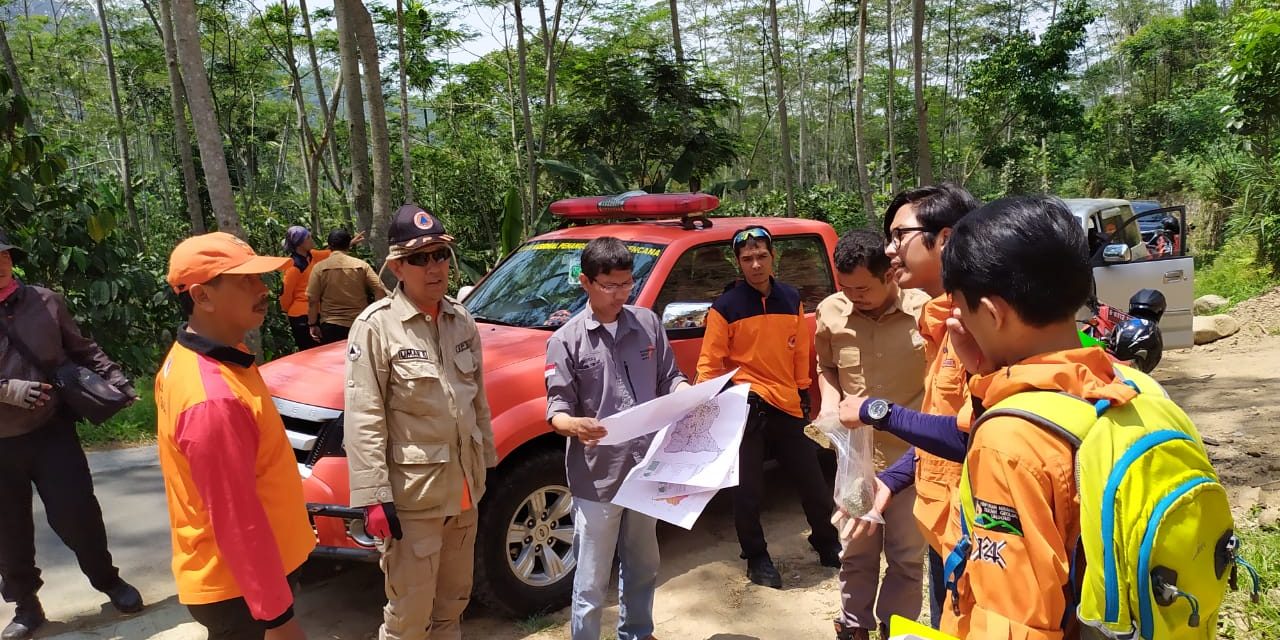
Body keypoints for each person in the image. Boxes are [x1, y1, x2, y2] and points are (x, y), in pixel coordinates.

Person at [932, 195, 1141, 638]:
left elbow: (1015, 620)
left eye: (963, 310)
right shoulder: (1125, 383)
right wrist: (988, 375)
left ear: (990, 312)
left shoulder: (1009, 443)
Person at [345, 203, 497, 640]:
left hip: (464, 492)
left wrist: (486, 463)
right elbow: (364, 415)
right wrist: (373, 497)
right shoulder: (375, 327)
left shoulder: (461, 319)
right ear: (396, 266)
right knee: (409, 617)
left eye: (440, 254)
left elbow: (477, 402)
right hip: (413, 499)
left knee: (452, 606)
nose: (434, 266)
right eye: (419, 258)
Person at [834, 184, 981, 628]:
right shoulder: (941, 319)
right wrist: (893, 480)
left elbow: (975, 433)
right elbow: (947, 424)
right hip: (944, 525)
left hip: (976, 527)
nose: (890, 250)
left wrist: (876, 411)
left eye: (900, 236)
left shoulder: (974, 323)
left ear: (946, 238)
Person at [155, 232, 314, 640]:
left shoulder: (210, 358)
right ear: (202, 296)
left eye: (260, 278)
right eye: (246, 281)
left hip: (246, 581)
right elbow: (236, 518)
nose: (263, 290)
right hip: (241, 591)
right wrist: (278, 619)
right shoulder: (213, 398)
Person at [0, 229, 143, 640]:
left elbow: (82, 348)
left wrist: (117, 379)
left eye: (5, 255)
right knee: (8, 529)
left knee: (78, 513)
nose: (1, 263)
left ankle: (108, 581)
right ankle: (26, 606)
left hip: (51, 431)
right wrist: (7, 390)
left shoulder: (45, 301)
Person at [545, 237, 690, 640]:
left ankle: (638, 632)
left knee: (644, 565)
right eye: (610, 286)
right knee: (590, 581)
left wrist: (683, 393)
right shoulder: (566, 341)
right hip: (597, 478)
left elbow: (669, 376)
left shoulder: (646, 324)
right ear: (586, 282)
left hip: (646, 470)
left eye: (627, 284)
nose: (620, 294)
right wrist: (575, 425)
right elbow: (556, 410)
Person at [696, 224, 841, 589]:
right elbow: (708, 364)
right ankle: (757, 558)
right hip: (745, 406)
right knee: (747, 491)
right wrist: (702, 404)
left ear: (773, 257)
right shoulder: (725, 307)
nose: (756, 264)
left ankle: (826, 542)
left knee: (812, 482)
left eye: (762, 256)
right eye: (748, 259)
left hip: (787, 403)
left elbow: (800, 351)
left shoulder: (791, 298)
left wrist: (803, 389)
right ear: (738, 263)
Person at [814, 230, 930, 640]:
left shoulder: (925, 312)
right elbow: (825, 366)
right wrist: (829, 400)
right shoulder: (830, 312)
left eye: (862, 288)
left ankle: (895, 631)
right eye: (845, 287)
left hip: (912, 459)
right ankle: (853, 627)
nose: (853, 296)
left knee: (906, 557)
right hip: (856, 459)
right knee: (855, 552)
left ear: (890, 275)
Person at [305, 228, 387, 345]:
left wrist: (312, 324)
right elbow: (379, 289)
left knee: (334, 362)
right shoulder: (362, 265)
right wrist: (374, 314)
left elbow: (312, 300)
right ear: (349, 245)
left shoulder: (319, 268)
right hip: (360, 323)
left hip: (330, 326)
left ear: (329, 246)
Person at [279, 226, 330, 350]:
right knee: (310, 351)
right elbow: (286, 294)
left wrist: (348, 243)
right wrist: (285, 310)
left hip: (317, 311)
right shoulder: (293, 267)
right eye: (308, 237)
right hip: (301, 316)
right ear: (300, 243)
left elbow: (329, 254)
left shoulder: (311, 256)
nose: (311, 239)